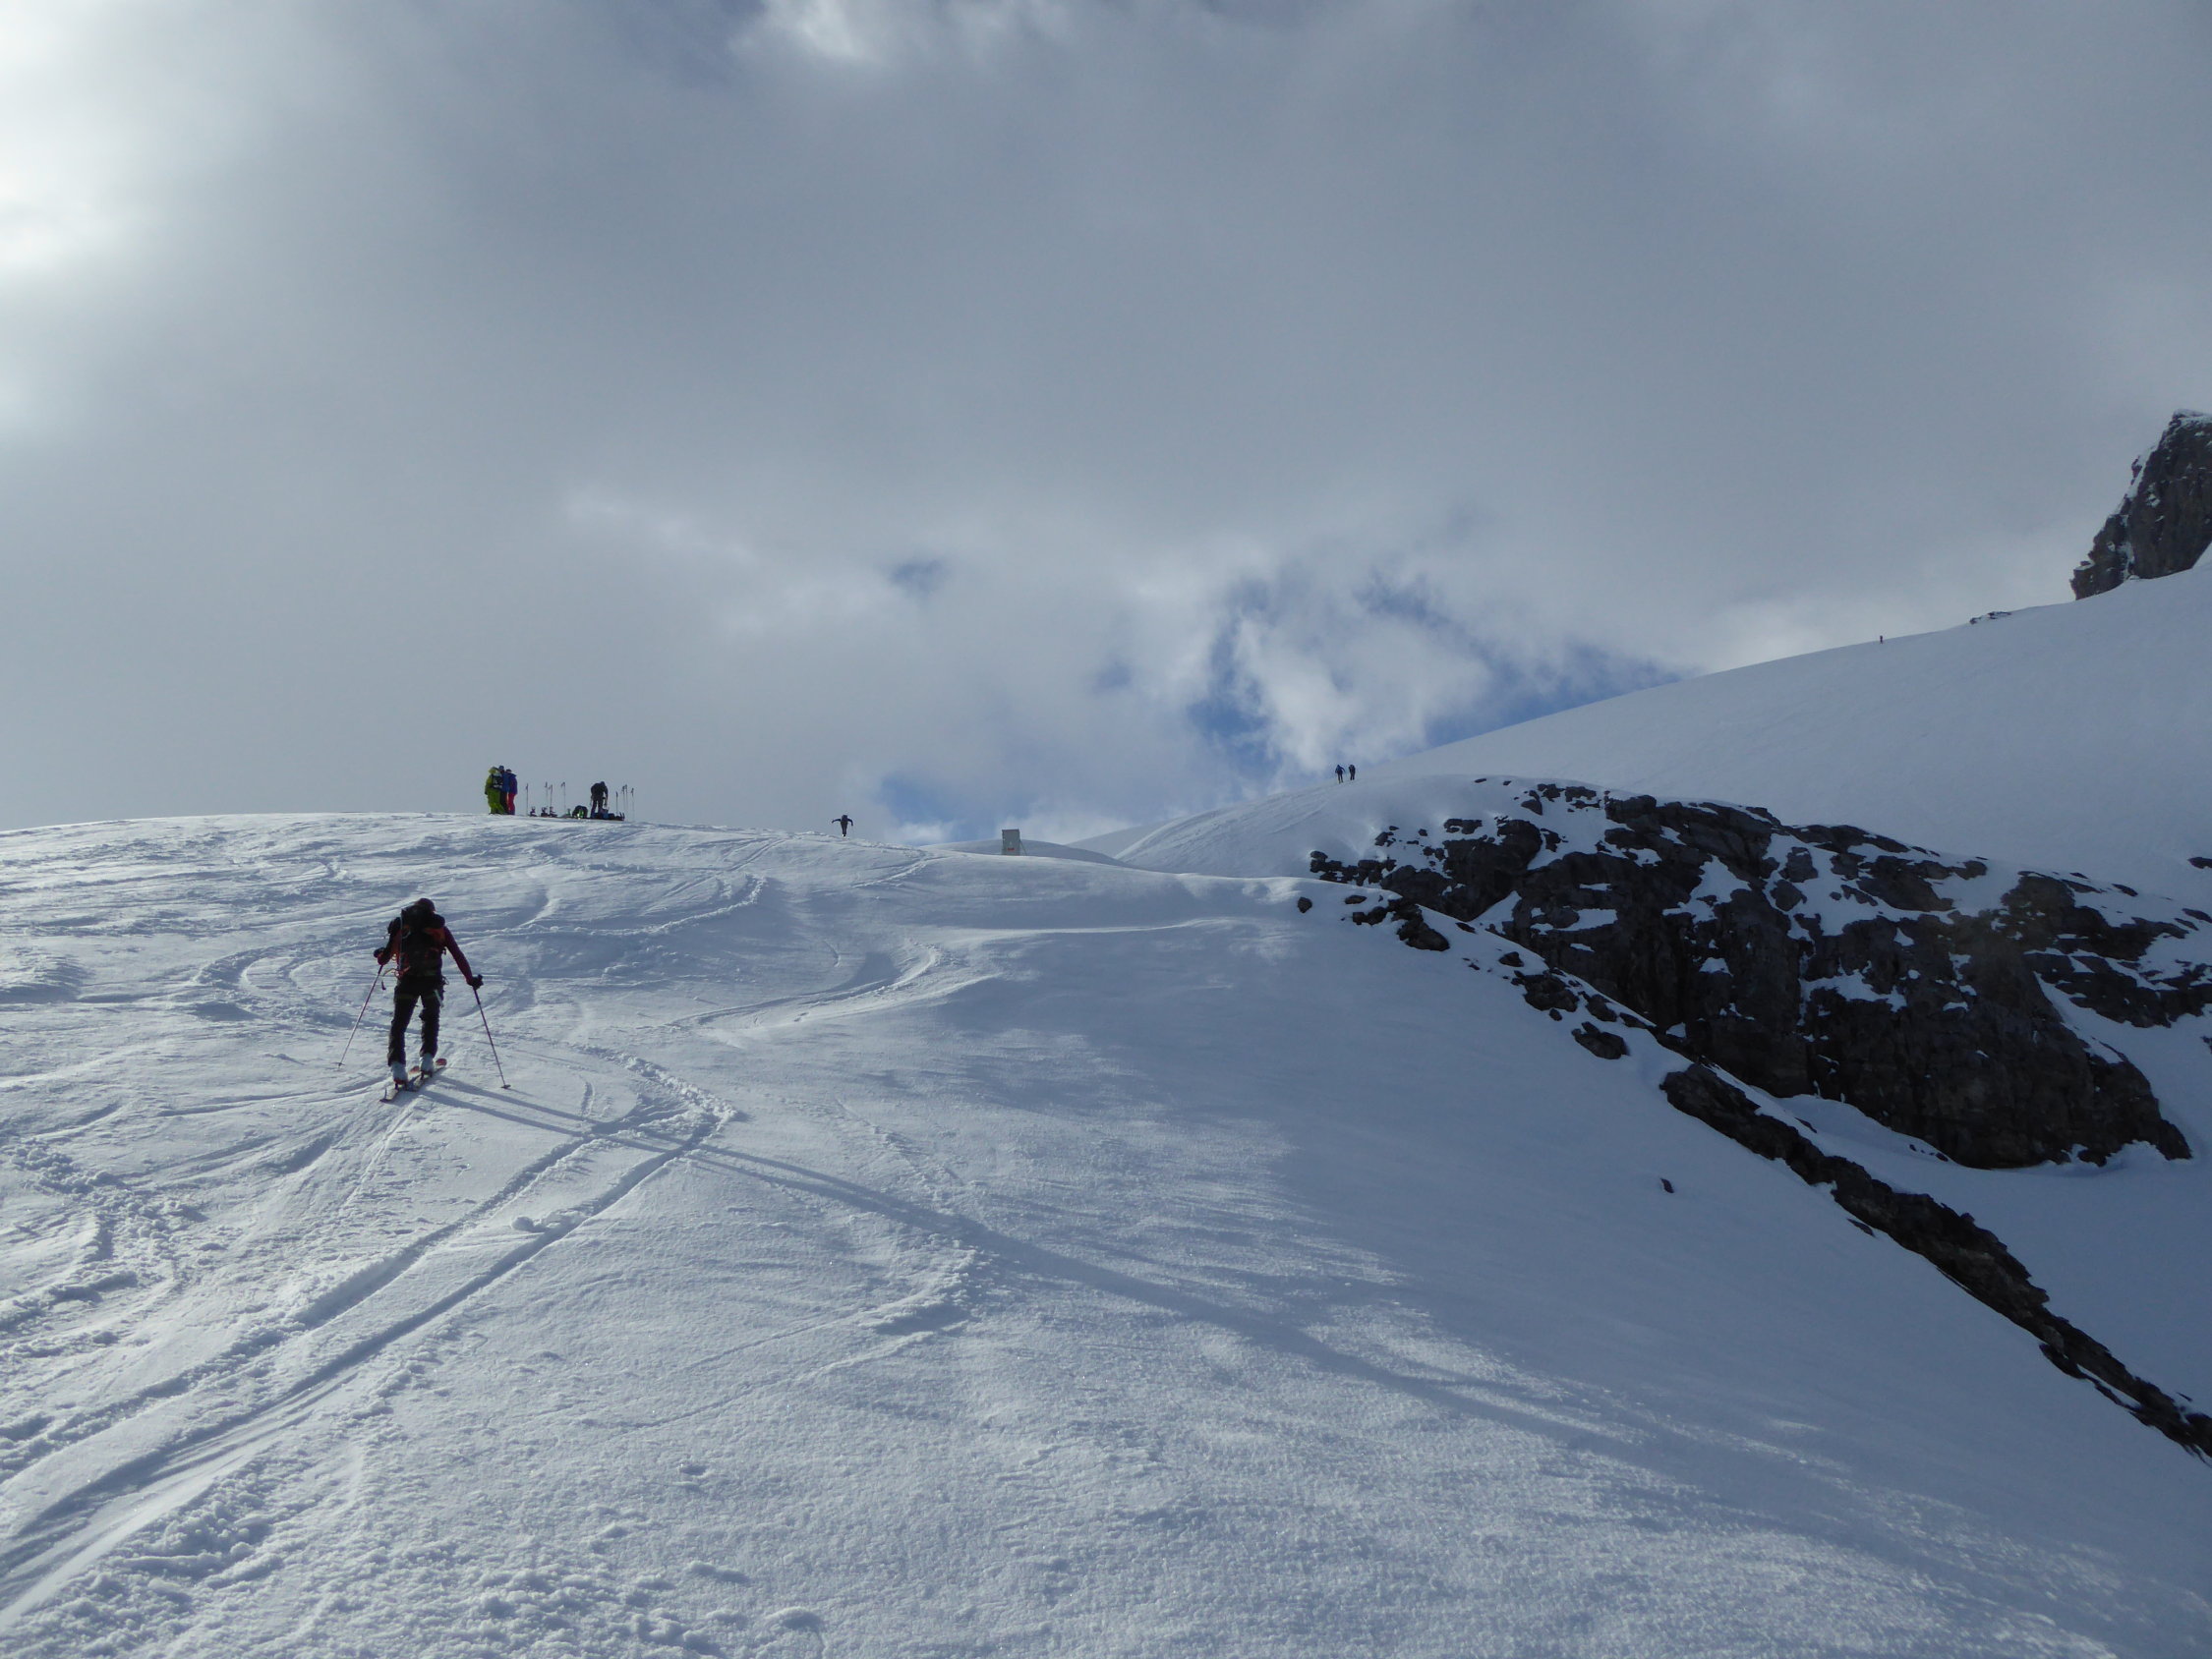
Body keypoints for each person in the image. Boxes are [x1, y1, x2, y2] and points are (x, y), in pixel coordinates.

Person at [375, 897, 480, 1086]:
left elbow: (384, 960)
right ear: (431, 911)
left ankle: (397, 1067)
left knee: (399, 1024)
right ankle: (427, 1060)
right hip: (432, 982)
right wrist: (470, 979)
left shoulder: (401, 925)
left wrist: (380, 954)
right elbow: (457, 954)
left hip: (406, 981)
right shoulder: (438, 928)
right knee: (430, 1018)